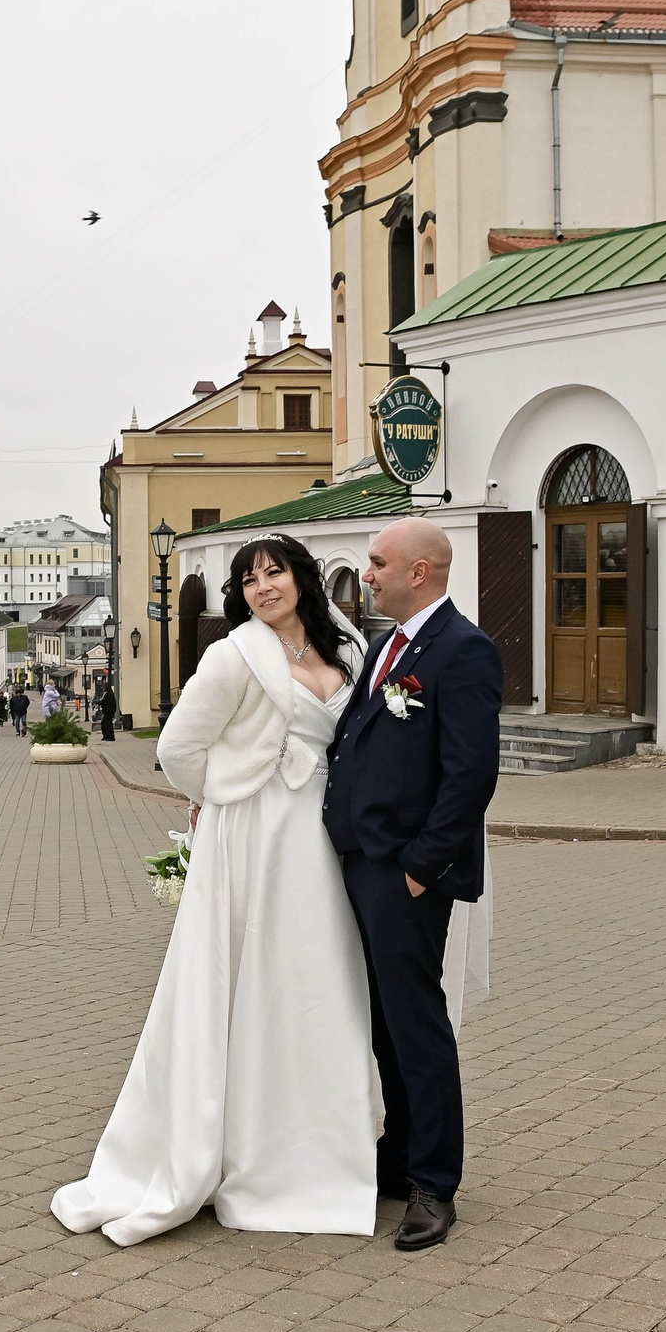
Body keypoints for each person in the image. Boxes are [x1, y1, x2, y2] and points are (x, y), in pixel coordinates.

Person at [54, 534, 379, 1244]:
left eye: (276, 571)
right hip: (257, 834)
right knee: (249, 978)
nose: (264, 586)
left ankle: (322, 1144)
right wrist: (226, 795)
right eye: (251, 578)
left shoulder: (345, 650)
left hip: (323, 836)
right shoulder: (234, 655)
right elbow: (177, 750)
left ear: (302, 577)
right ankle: (237, 1149)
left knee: (320, 979)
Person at [322, 516, 501, 1251]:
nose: (368, 575)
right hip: (361, 862)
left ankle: (434, 1183)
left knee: (417, 1025)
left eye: (378, 563)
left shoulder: (462, 651)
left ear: (419, 572)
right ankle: (396, 1158)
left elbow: (470, 775)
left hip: (405, 873)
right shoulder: (385, 648)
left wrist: (421, 871)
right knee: (384, 1025)